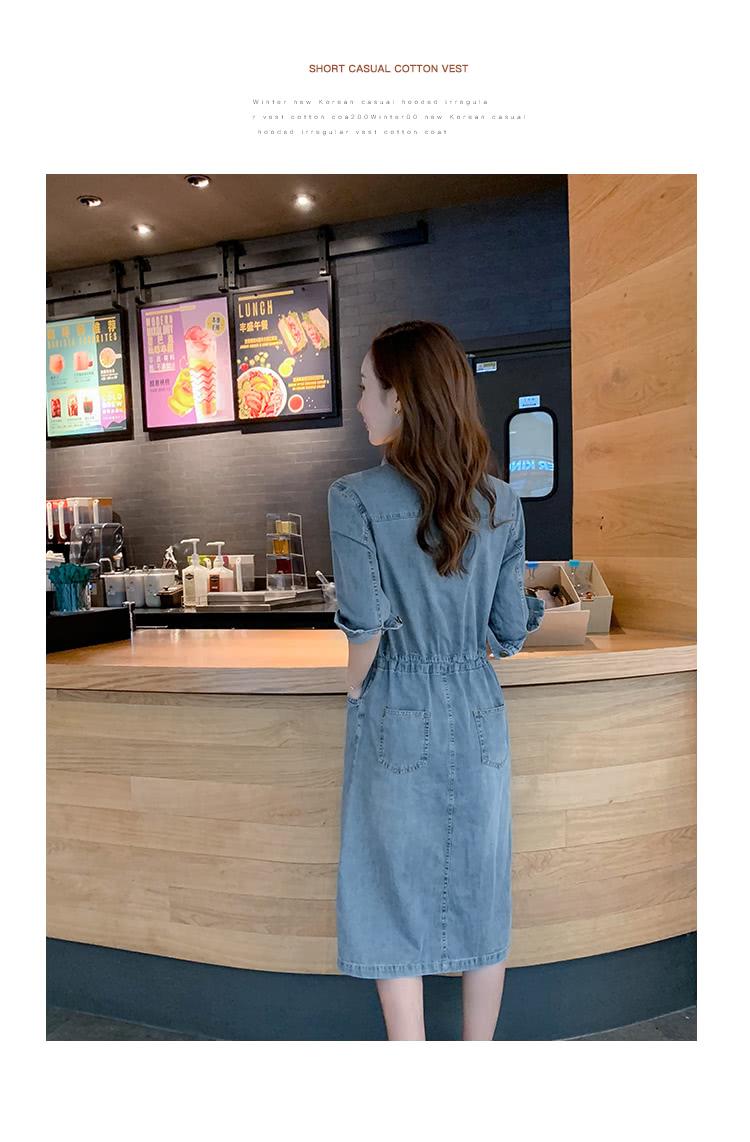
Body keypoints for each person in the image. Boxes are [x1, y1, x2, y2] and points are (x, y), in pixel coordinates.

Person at [327, 320, 543, 1041]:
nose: (360, 405)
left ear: (401, 397)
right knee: (482, 888)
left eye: (366, 389)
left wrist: (355, 690)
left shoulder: (354, 496)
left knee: (388, 891)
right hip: (480, 710)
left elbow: (365, 628)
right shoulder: (504, 502)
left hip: (396, 702)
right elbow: (506, 633)